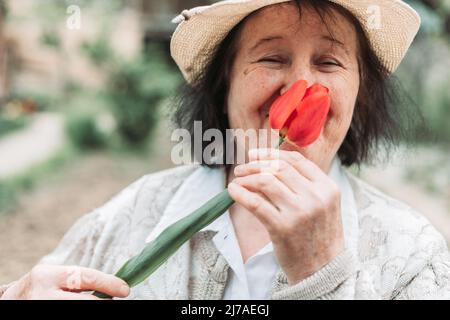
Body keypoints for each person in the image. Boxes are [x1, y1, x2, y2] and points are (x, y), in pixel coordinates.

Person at [2, 0, 450, 300]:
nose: (301, 85)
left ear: (360, 95)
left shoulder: (414, 255)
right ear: (224, 86)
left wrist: (323, 274)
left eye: (328, 62)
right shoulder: (131, 215)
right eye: (271, 58)